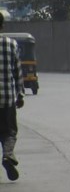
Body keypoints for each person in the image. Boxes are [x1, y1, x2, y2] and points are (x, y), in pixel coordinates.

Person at [0, 14, 24, 182]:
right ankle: (8, 155)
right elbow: (17, 71)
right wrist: (20, 94)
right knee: (9, 131)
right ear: (2, 26)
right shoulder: (11, 44)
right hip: (7, 99)